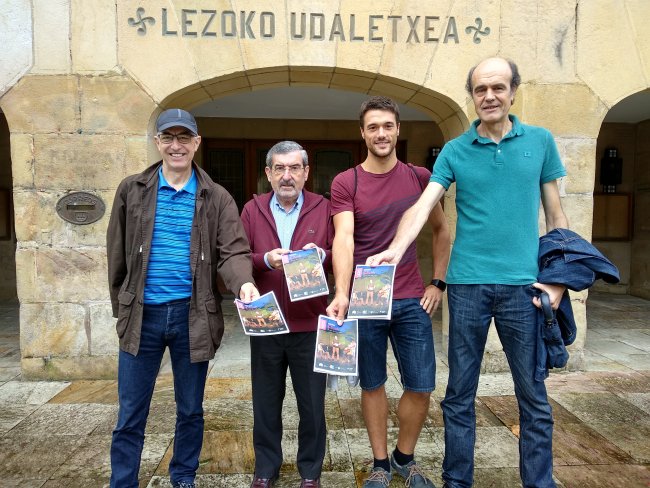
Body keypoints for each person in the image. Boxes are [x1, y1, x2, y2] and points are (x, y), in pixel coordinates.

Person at [367, 57, 569, 488]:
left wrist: (558, 281)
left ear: (514, 90)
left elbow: (557, 219)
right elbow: (423, 205)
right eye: (480, 90)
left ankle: (540, 482)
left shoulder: (540, 141)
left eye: (498, 87)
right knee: (459, 395)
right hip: (467, 287)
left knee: (533, 398)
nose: (489, 96)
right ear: (472, 96)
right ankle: (457, 481)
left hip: (524, 288)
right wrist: (395, 250)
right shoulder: (456, 150)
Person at [107, 108, 259, 488]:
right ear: (158, 143)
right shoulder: (132, 189)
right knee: (130, 412)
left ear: (196, 143)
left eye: (184, 138)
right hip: (142, 315)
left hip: (194, 317)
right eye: (168, 138)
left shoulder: (217, 196)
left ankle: (183, 476)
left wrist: (244, 284)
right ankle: (122, 481)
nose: (176, 146)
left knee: (190, 409)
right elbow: (116, 255)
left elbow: (234, 251)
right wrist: (121, 308)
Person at [327, 96, 450, 488]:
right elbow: (343, 240)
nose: (381, 133)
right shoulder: (347, 182)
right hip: (365, 300)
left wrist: (438, 282)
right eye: (373, 127)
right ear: (362, 133)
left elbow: (441, 230)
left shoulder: (419, 177)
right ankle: (380, 463)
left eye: (388, 126)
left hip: (413, 297)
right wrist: (342, 293)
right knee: (372, 383)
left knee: (421, 384)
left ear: (399, 130)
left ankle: (404, 458)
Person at [241, 141, 334, 488]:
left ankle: (310, 472)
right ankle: (266, 469)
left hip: (310, 323)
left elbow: (342, 252)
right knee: (265, 403)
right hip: (265, 322)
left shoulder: (324, 208)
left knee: (312, 405)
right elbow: (237, 256)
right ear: (268, 173)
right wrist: (265, 260)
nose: (287, 175)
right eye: (279, 168)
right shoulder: (252, 210)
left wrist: (321, 255)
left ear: (306, 173)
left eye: (294, 168)